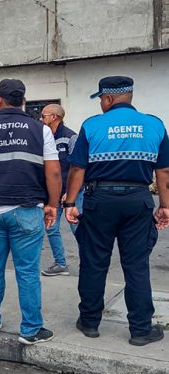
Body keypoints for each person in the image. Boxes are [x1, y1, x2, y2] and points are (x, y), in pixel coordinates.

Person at [64, 76, 169, 346]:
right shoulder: (155, 125)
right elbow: (164, 172)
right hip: (138, 200)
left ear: (109, 98)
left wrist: (70, 203)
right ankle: (141, 330)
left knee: (94, 261)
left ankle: (89, 322)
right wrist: (165, 206)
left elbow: (78, 169)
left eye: (100, 98)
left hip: (100, 200)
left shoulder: (92, 126)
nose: (100, 103)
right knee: (136, 265)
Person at [0, 78, 61, 345]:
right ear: (23, 100)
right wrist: (52, 203)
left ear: (0, 99)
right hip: (27, 209)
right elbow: (53, 171)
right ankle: (30, 329)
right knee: (28, 271)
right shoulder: (40, 130)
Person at [40, 104, 83, 277]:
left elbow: (79, 167)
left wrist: (71, 192)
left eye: (44, 116)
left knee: (77, 229)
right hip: (54, 194)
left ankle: (88, 263)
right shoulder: (44, 138)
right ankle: (60, 263)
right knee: (51, 228)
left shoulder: (71, 137)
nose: (40, 119)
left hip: (73, 194)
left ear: (55, 117)